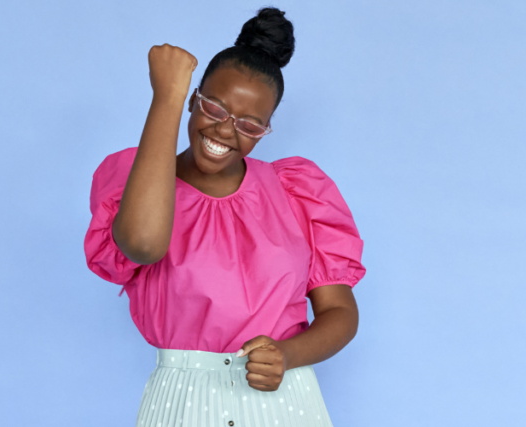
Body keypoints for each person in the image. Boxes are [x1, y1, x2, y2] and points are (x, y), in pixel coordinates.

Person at [83, 7, 366, 426]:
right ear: (193, 97)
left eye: (251, 125)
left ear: (268, 128)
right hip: (182, 401)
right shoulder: (137, 182)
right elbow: (143, 244)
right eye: (213, 108)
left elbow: (341, 314)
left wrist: (287, 355)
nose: (224, 131)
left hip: (283, 399)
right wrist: (166, 99)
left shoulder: (297, 192)